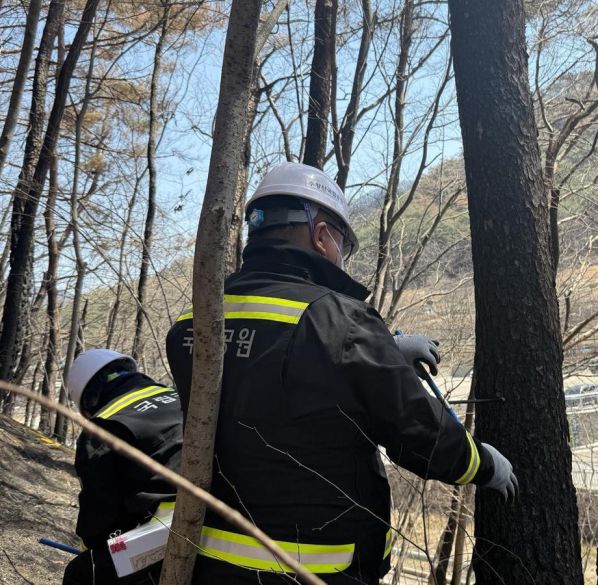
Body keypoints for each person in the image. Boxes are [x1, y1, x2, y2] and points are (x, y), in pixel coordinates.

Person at [166, 162, 517, 585]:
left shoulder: (192, 322)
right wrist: (482, 464)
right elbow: (418, 434)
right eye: (342, 244)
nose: (340, 256)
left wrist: (380, 350)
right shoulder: (340, 322)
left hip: (211, 561)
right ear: (320, 236)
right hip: (315, 566)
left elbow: (261, 377)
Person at [62, 349, 182, 585]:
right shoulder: (178, 396)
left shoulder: (104, 428)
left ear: (88, 400)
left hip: (167, 531)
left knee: (82, 573)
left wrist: (95, 550)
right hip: (223, 514)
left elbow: (99, 515)